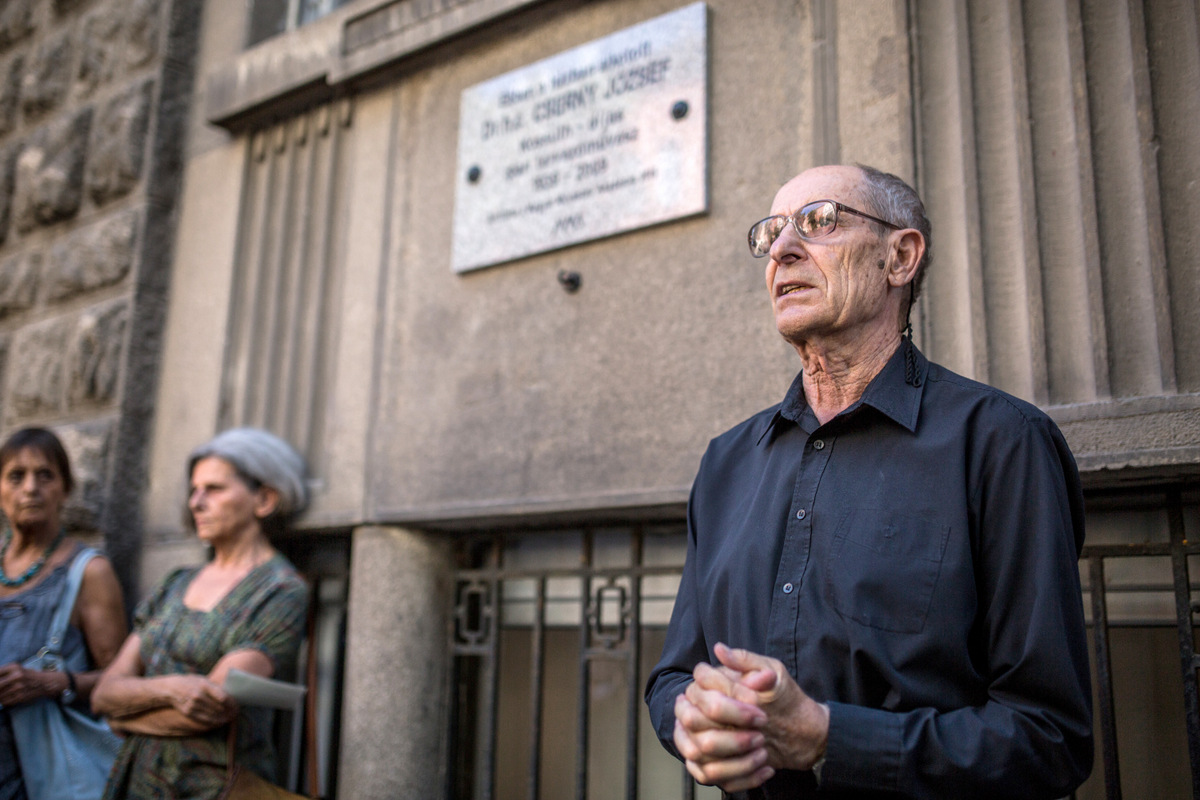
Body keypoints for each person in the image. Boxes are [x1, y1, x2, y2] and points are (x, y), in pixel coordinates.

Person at [644, 164, 1093, 799]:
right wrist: (689, 721)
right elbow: (673, 677)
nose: (781, 249)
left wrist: (831, 739)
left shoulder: (1002, 442)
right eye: (771, 232)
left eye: (819, 221)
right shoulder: (727, 460)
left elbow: (1051, 737)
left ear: (900, 258)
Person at [93, 428, 310, 799]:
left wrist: (123, 716)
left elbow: (209, 710)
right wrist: (172, 688)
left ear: (264, 499)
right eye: (194, 490)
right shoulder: (175, 582)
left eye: (214, 489)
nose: (196, 502)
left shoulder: (279, 590)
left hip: (212, 787)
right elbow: (103, 693)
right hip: (136, 781)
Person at [0, 427, 128, 800]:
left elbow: (121, 682)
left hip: (45, 776)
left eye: (45, 475)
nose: (30, 488)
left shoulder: (88, 572)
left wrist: (53, 682)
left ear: (65, 489)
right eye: (16, 476)